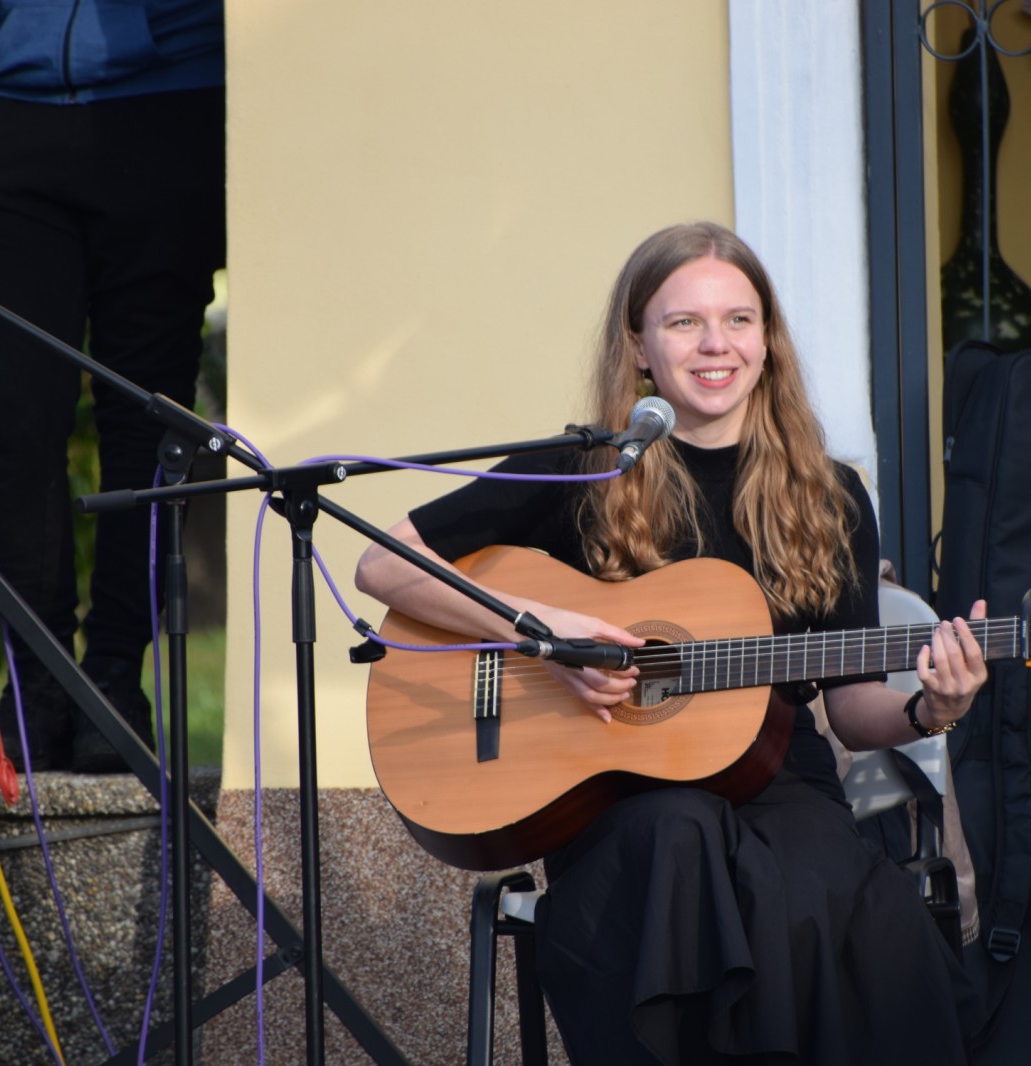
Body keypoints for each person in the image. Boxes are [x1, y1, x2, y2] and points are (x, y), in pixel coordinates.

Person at [355, 222, 988, 1064]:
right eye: (684, 322)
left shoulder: (829, 495)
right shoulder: (583, 465)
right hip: (614, 799)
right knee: (679, 835)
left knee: (845, 910)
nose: (715, 344)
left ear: (768, 342)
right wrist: (538, 629)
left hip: (781, 788)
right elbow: (381, 564)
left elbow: (854, 707)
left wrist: (930, 706)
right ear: (641, 348)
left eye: (739, 319)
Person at [0, 0, 226, 772]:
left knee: (149, 417)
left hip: (171, 98)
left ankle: (114, 684)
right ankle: (35, 683)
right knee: (13, 419)